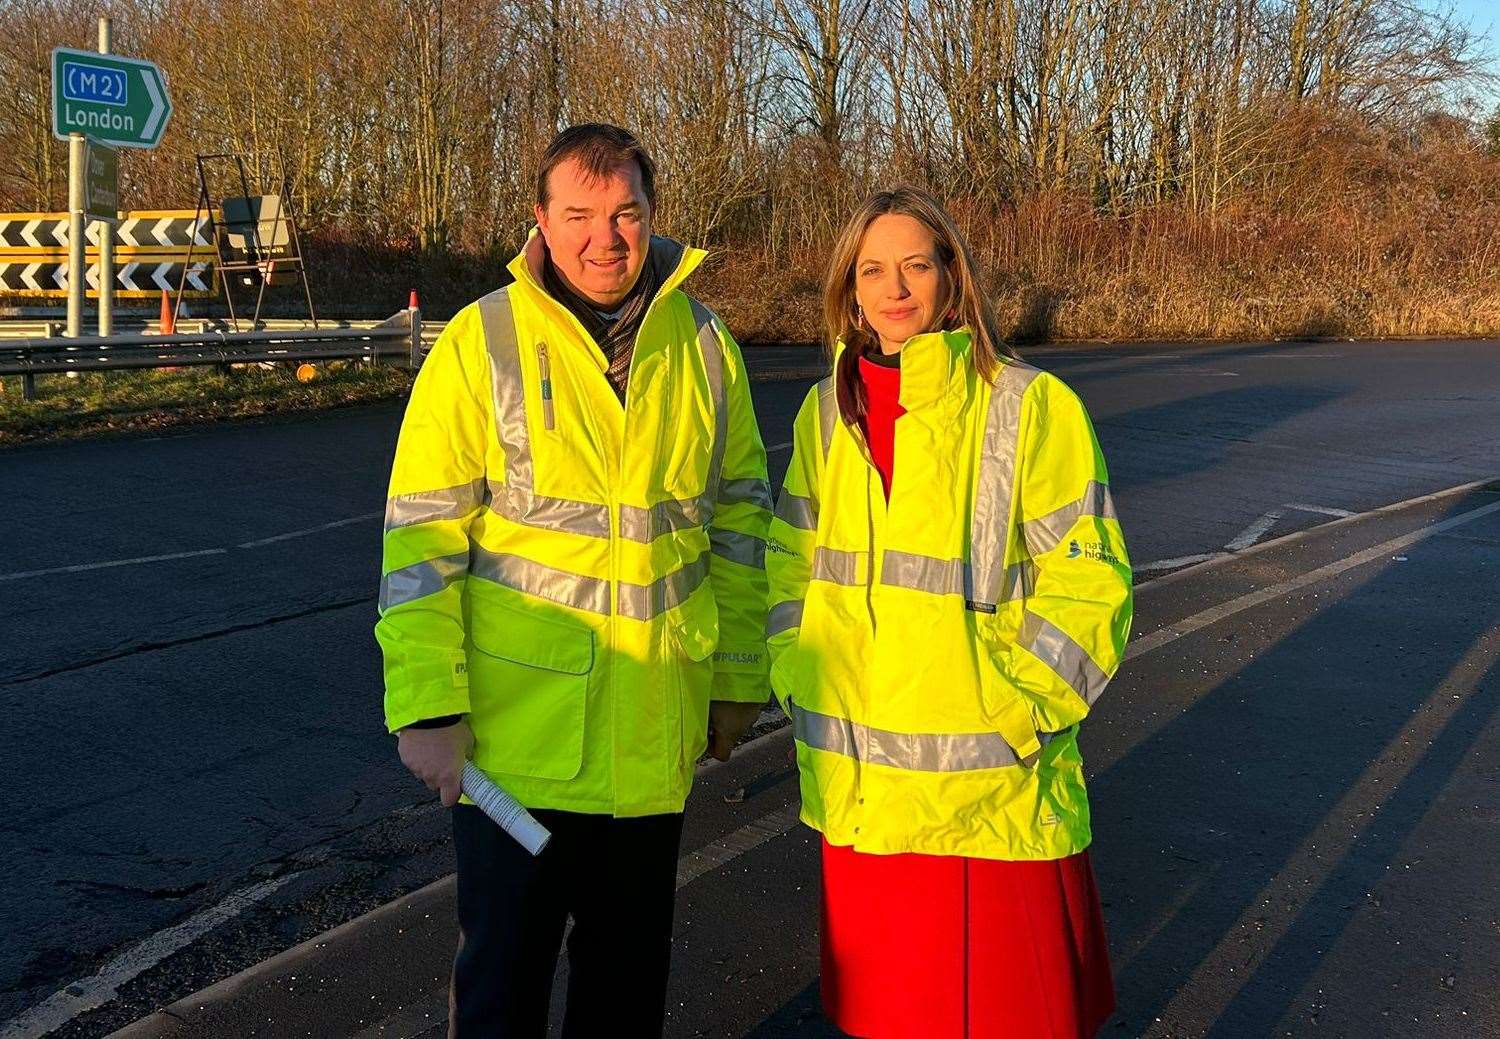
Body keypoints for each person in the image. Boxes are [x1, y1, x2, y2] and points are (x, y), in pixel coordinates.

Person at [375, 123, 772, 1038]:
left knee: (625, 993)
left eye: (625, 212)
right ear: (541, 223)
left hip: (649, 742)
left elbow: (744, 524)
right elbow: (422, 538)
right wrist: (427, 709)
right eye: (581, 214)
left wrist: (739, 679)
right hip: (517, 761)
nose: (606, 236)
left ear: (653, 216)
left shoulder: (706, 346)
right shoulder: (483, 341)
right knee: (502, 987)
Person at [765, 187, 1132, 1038]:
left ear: (952, 276)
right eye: (873, 269)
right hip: (863, 793)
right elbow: (789, 562)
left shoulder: (1028, 404)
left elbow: (1092, 581)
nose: (895, 288)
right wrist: (796, 670)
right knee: (889, 1019)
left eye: (916, 265)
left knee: (1007, 1018)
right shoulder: (826, 413)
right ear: (848, 290)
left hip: (990, 792)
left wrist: (1020, 711)